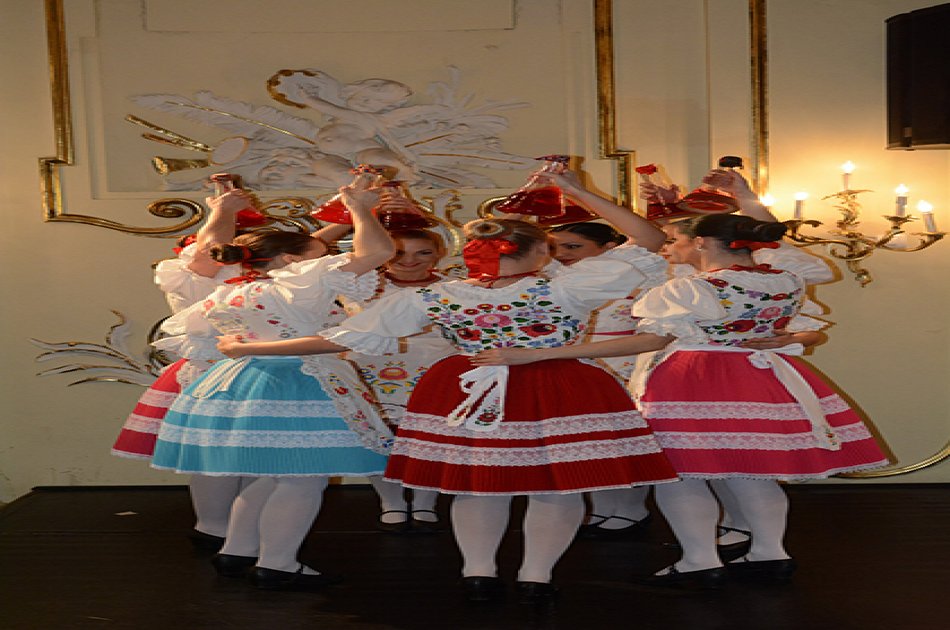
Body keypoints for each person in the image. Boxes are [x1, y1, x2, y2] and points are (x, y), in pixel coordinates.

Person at [216, 168, 678, 604]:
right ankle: (535, 577)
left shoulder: (437, 294)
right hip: (556, 385)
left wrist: (247, 350)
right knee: (555, 488)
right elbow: (651, 240)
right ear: (540, 253)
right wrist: (574, 189)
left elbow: (340, 338)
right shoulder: (566, 289)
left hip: (465, 389)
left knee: (476, 486)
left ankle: (478, 572)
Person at [471, 213, 889, 589]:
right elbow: (805, 330)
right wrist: (788, 337)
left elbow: (653, 339)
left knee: (678, 473)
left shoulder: (686, 289)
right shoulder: (783, 281)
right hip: (756, 377)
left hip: (694, 379)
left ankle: (700, 560)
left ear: (703, 243)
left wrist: (541, 354)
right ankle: (770, 553)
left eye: (676, 239)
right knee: (751, 472)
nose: (670, 246)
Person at [151, 180, 396, 591]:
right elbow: (378, 252)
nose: (328, 256)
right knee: (303, 477)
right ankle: (278, 562)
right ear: (289, 259)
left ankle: (238, 549)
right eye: (318, 253)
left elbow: (187, 328)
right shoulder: (298, 282)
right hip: (298, 380)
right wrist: (360, 209)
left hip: (240, 382)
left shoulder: (233, 291)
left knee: (269, 472)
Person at [341, 228, 456, 533]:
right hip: (370, 370)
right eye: (399, 252)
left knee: (430, 437)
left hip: (436, 368)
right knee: (378, 434)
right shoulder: (359, 287)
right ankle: (389, 500)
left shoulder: (457, 289)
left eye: (423, 252)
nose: (409, 260)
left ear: (439, 253)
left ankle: (425, 500)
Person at [547, 221, 654, 539]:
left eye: (572, 247)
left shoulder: (637, 275)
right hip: (574, 362)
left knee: (625, 436)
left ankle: (634, 507)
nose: (561, 254)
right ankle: (601, 505)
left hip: (624, 360)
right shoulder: (553, 277)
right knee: (590, 437)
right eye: (555, 247)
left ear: (609, 248)